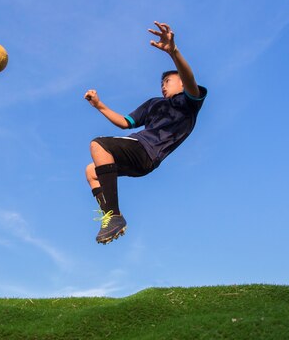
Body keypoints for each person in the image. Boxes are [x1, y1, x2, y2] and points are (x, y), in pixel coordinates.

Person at [84, 21, 208, 245]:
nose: (163, 85)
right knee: (91, 171)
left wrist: (174, 52)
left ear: (181, 83)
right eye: (161, 83)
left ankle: (114, 216)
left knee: (98, 144)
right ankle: (110, 218)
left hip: (146, 152)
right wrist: (100, 105)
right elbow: (125, 122)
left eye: (168, 81)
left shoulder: (189, 102)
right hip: (140, 159)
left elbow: (189, 79)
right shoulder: (153, 103)